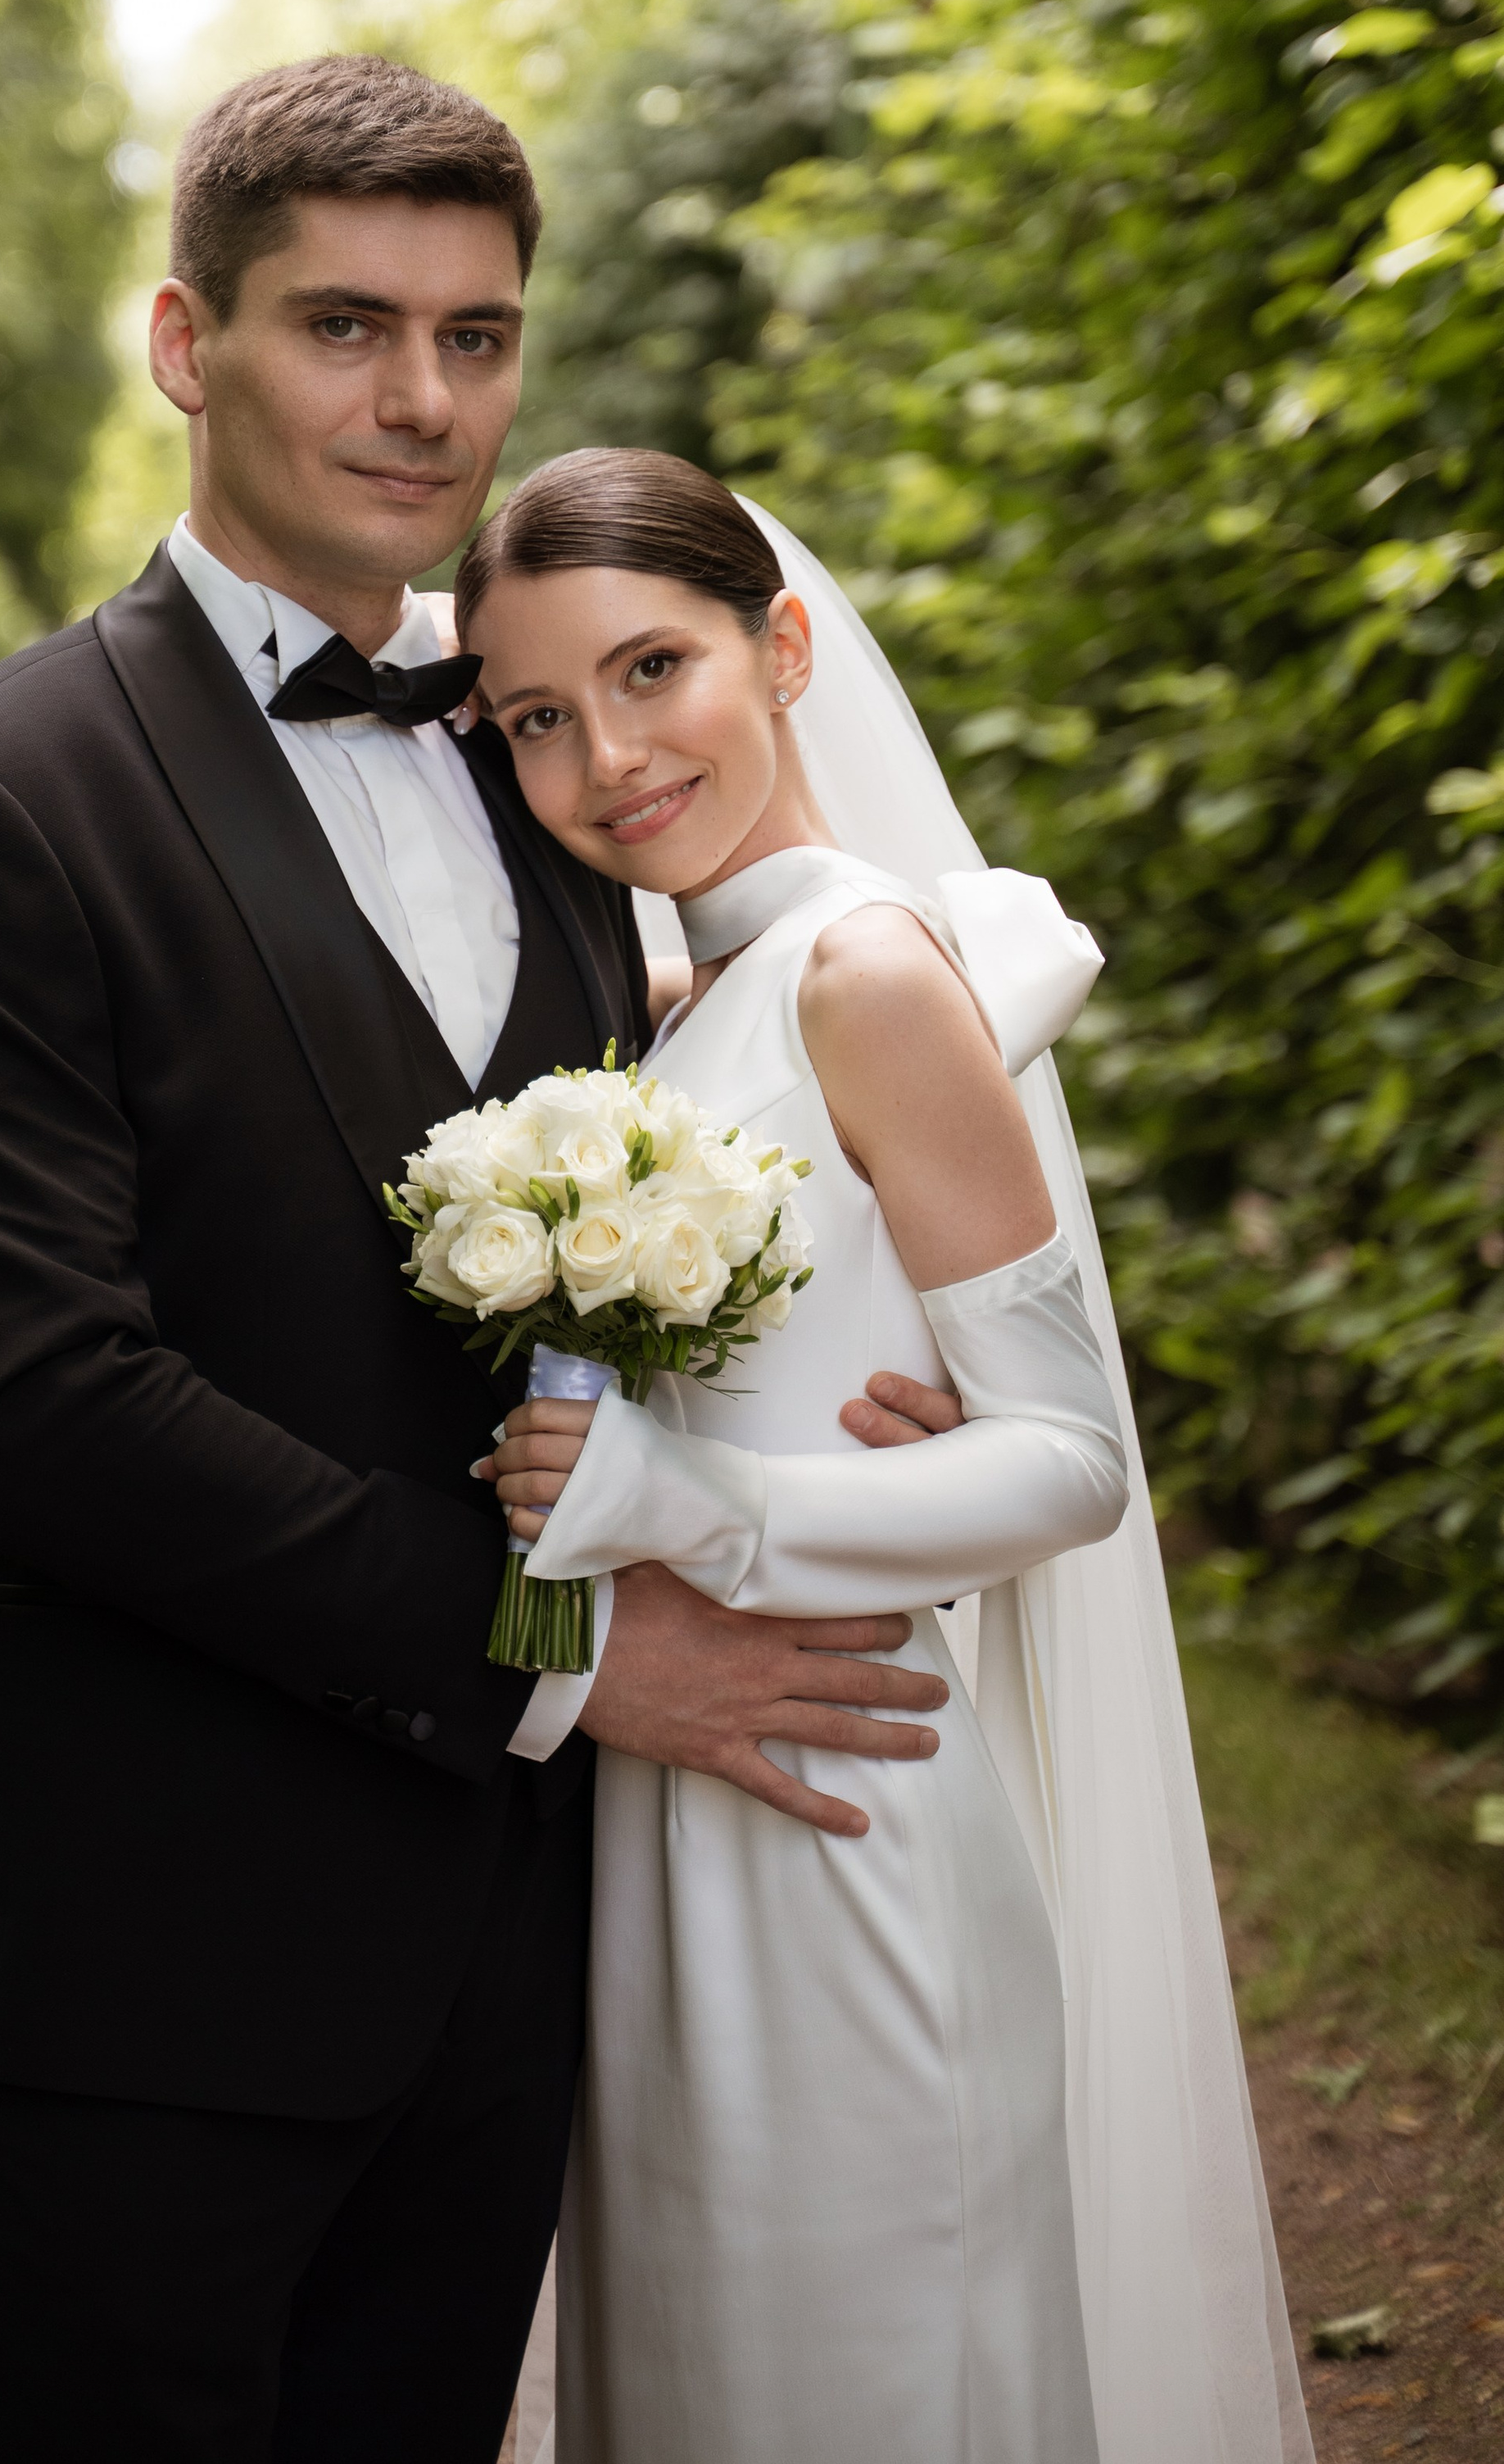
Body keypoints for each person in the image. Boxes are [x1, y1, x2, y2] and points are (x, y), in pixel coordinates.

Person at [0, 57, 957, 2464]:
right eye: (345, 323)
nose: (420, 397)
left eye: (476, 334)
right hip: (156, 1946)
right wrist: (562, 1651)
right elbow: (45, 1408)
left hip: (521, 1933)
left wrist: (868, 1373)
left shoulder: (566, 757)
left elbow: (775, 1116)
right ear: (182, 339)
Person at [460, 447, 1314, 2464]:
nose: (606, 754)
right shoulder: (684, 1011)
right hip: (677, 1833)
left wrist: (694, 1509)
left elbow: (1070, 1460)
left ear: (782, 647)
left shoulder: (862, 972)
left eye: (649, 666)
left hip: (851, 1819)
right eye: (534, 719)